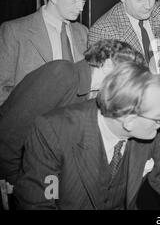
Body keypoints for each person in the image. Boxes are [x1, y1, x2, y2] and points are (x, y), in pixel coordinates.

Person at [14, 62, 160, 210]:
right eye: (159, 117)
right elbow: (40, 203)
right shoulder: (53, 132)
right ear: (128, 122)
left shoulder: (153, 128)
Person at [0, 39, 143, 184]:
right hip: (14, 174)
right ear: (108, 65)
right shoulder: (62, 73)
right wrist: (18, 184)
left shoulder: (92, 96)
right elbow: (9, 135)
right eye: (127, 76)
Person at [0, 0, 90, 105]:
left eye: (84, 1)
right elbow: (2, 89)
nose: (81, 8)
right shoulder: (14, 31)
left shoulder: (83, 32)